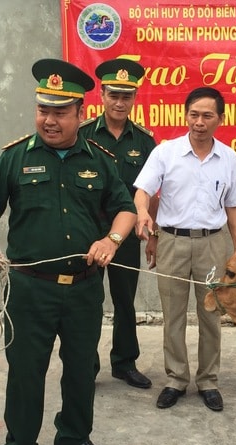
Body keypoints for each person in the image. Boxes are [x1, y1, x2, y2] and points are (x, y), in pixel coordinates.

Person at [0, 58, 137, 445]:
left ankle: (73, 437)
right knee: (27, 371)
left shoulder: (99, 160)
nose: (49, 119)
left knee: (82, 368)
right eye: (43, 109)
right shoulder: (15, 157)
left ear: (81, 114)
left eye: (60, 111)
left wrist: (112, 241)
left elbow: (125, 208)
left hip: (83, 289)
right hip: (29, 289)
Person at [134, 86, 236, 412]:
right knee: (173, 315)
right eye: (194, 114)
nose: (199, 122)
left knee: (211, 314)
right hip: (172, 242)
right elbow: (144, 191)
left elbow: (234, 207)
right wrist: (143, 215)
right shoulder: (165, 153)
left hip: (212, 243)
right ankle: (176, 379)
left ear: (219, 119)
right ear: (186, 115)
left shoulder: (228, 157)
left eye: (207, 115)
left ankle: (208, 381)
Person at [79, 58, 157, 390]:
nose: (120, 102)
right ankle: (86, 365)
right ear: (102, 95)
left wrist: (152, 233)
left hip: (125, 236)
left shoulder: (143, 141)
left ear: (134, 98)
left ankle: (124, 363)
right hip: (87, 233)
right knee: (87, 301)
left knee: (125, 301)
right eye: (114, 95)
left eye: (127, 96)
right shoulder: (81, 135)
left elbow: (150, 190)